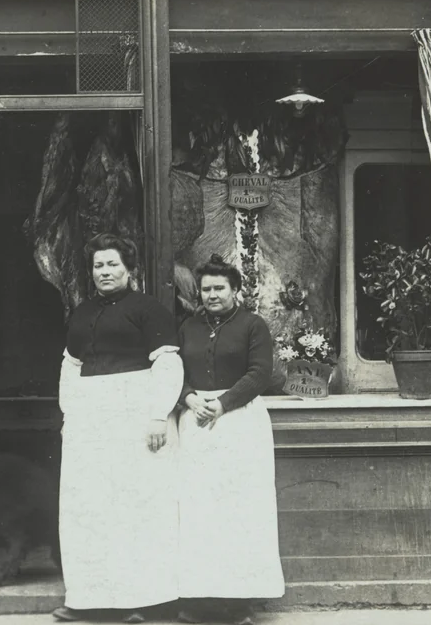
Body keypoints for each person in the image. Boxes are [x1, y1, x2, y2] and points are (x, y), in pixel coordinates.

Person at [52, 234, 184, 624]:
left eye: (112, 264)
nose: (104, 272)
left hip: (135, 415)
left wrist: (159, 414)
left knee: (134, 507)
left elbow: (166, 364)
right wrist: (69, 414)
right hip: (89, 418)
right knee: (88, 507)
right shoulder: (81, 311)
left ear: (130, 269)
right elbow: (70, 366)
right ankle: (88, 598)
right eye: (98, 265)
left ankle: (137, 600)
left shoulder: (149, 310)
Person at [175, 255, 285, 625]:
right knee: (199, 511)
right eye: (206, 289)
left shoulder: (254, 326)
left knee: (239, 511)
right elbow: (173, 371)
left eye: (219, 288)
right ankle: (200, 599)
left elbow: (260, 374)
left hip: (239, 421)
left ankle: (239, 602)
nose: (212, 295)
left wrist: (221, 404)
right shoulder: (187, 326)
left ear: (235, 290)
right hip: (195, 422)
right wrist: (188, 397)